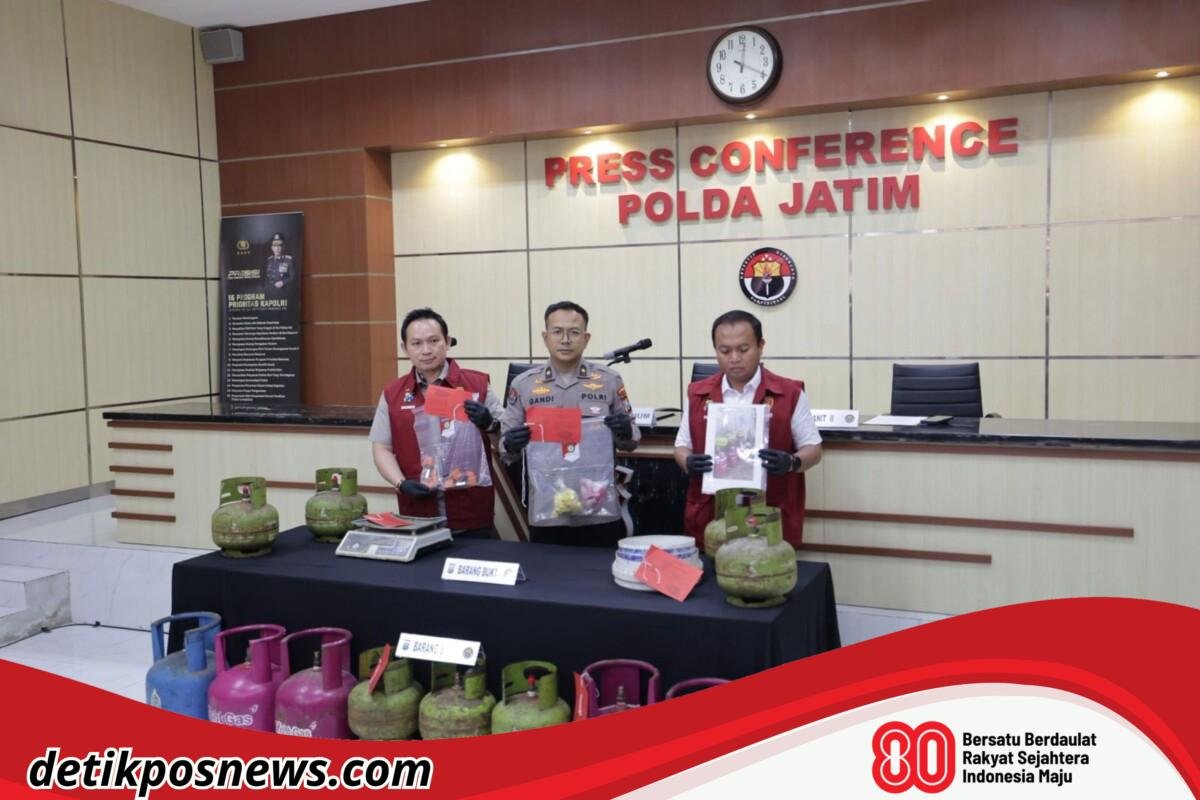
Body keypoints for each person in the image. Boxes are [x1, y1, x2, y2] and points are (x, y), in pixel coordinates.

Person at [673, 310, 822, 548]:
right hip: (711, 513)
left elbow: (813, 448)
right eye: (724, 351)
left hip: (768, 512)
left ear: (761, 346)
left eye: (743, 349)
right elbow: (682, 446)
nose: (734, 358)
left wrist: (791, 462)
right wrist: (688, 462)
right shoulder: (698, 393)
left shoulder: (789, 392)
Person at [500, 301, 639, 547]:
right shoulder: (523, 384)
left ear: (586, 338)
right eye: (557, 332)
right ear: (545, 338)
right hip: (547, 510)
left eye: (574, 332)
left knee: (599, 570)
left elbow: (632, 441)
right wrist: (511, 443)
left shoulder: (608, 380)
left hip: (599, 508)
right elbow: (506, 450)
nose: (565, 340)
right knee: (548, 570)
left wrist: (625, 431)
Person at [369, 308, 503, 538]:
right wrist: (401, 483)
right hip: (418, 515)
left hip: (471, 514)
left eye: (434, 341)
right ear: (405, 348)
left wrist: (490, 424)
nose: (426, 350)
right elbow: (381, 447)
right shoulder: (393, 393)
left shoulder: (477, 385)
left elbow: (507, 445)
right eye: (416, 343)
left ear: (447, 342)